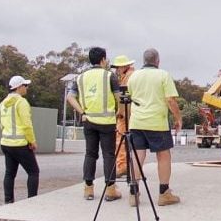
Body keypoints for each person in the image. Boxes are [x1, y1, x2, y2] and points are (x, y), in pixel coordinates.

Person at [66, 47, 122, 201]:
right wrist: (120, 112)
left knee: (90, 154)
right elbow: (119, 98)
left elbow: (70, 97)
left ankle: (88, 189)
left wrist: (82, 112)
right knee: (108, 154)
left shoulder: (80, 77)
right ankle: (110, 190)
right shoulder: (110, 76)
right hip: (107, 122)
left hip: (89, 121)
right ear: (103, 59)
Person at [127, 48, 182, 207]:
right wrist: (178, 118)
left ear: (144, 61)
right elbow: (170, 100)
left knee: (137, 157)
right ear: (158, 61)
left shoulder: (133, 76)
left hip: (136, 122)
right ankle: (164, 193)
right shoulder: (163, 75)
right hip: (157, 122)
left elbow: (131, 99)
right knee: (163, 156)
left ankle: (133, 193)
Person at [0, 75, 40, 204]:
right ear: (19, 87)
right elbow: (27, 124)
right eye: (25, 86)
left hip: (6, 143)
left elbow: (2, 124)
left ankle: (8, 201)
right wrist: (32, 141)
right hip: (20, 144)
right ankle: (31, 201)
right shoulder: (21, 102)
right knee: (33, 172)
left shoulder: (3, 103)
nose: (27, 88)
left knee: (10, 173)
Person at [111, 54, 135, 177]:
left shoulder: (128, 78)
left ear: (125, 66)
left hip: (126, 114)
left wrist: (120, 113)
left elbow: (124, 97)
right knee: (129, 142)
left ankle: (122, 166)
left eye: (118, 67)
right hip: (131, 113)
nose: (117, 70)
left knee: (120, 140)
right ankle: (128, 165)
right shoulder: (130, 75)